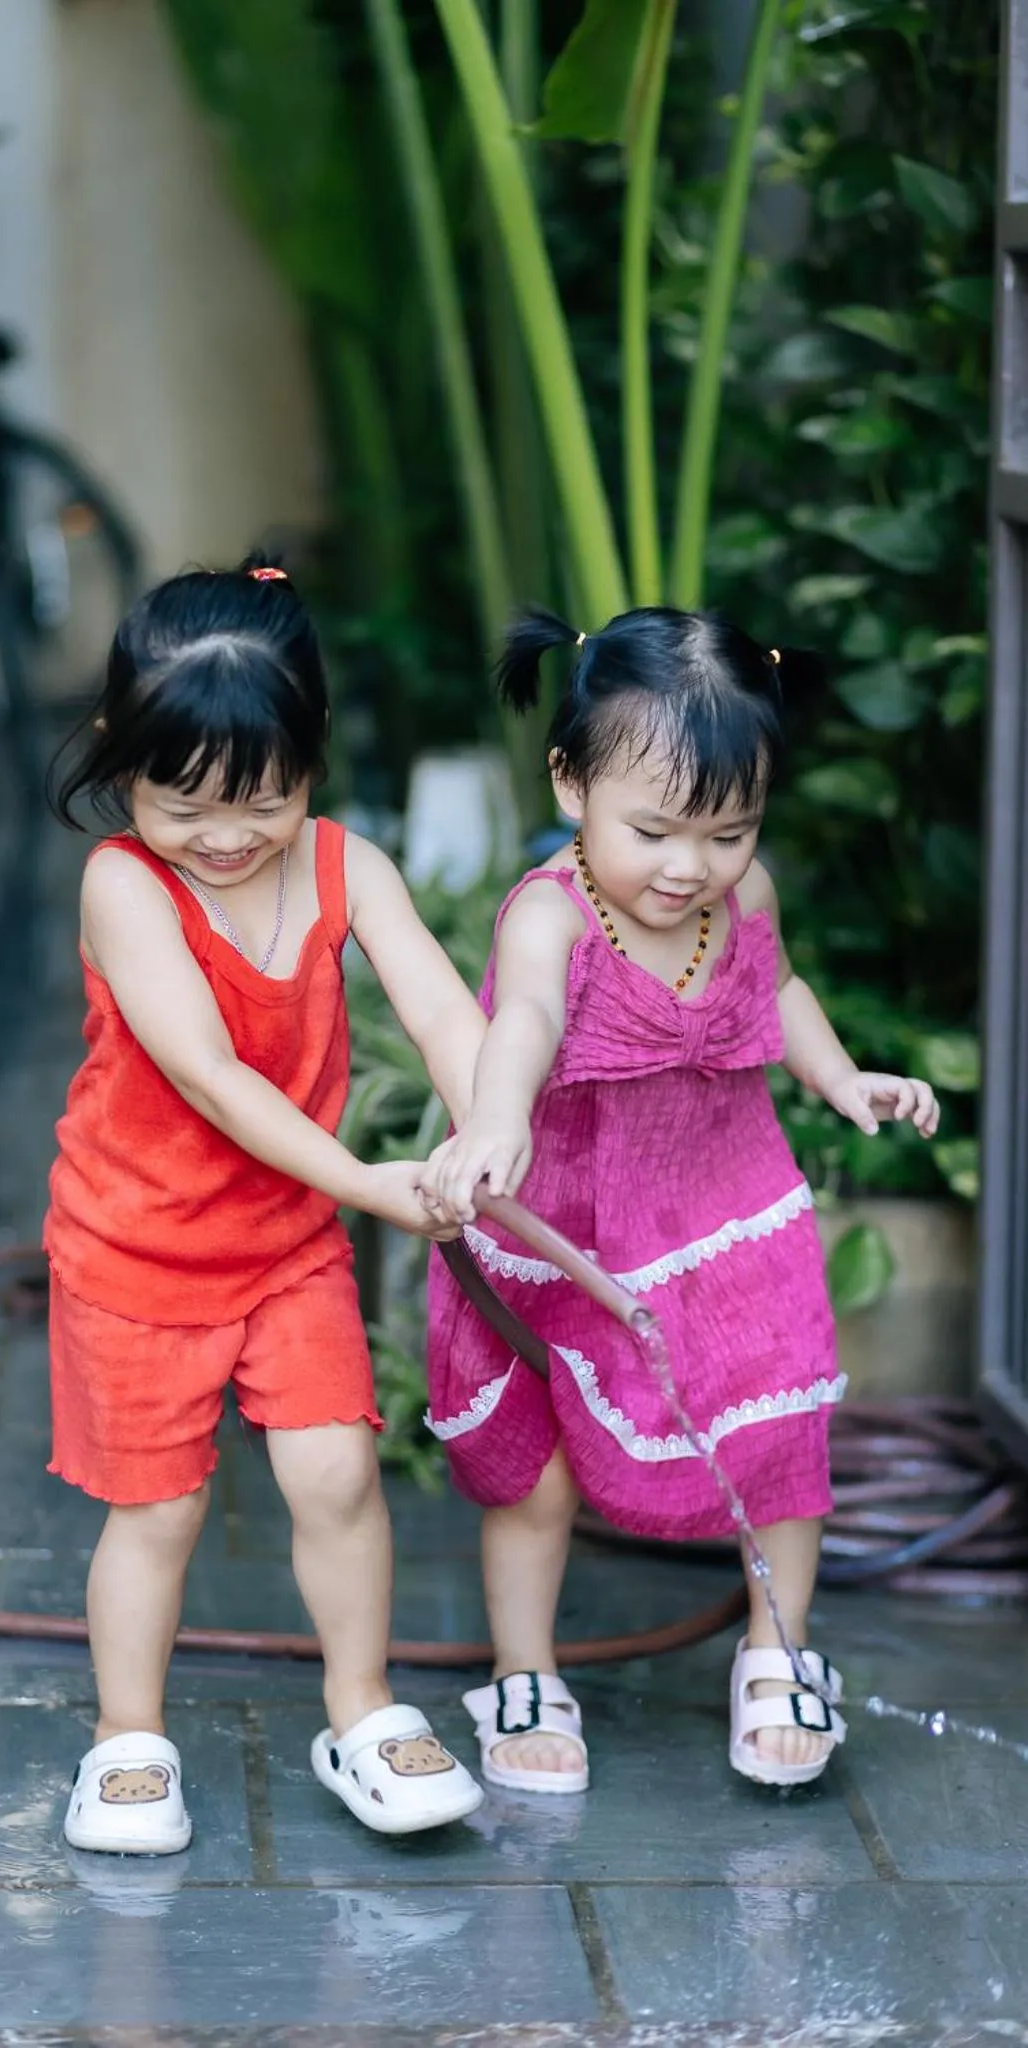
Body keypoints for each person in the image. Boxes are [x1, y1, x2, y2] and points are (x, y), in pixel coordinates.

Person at [420, 605, 939, 1795]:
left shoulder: (743, 898)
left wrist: (841, 1077)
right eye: (652, 829)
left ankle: (777, 1649)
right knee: (537, 1465)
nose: (688, 867)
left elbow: (781, 985)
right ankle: (524, 1666)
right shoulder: (553, 912)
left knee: (779, 1413)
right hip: (569, 1217)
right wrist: (496, 1117)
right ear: (569, 781)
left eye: (728, 831)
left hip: (721, 1194)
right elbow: (527, 1016)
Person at [44, 557, 486, 1855]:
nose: (227, 836)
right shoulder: (125, 885)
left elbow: (441, 1006)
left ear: (312, 754)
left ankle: (362, 1709)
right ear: (123, 759)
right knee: (161, 1509)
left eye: (266, 800)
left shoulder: (349, 865)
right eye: (185, 805)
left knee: (338, 1472)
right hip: (135, 1249)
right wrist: (368, 1184)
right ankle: (127, 1736)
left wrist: (491, 1119)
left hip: (286, 1245)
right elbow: (212, 1075)